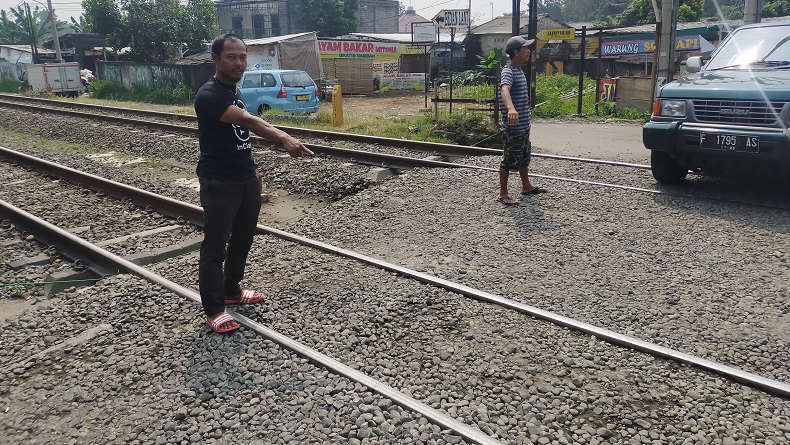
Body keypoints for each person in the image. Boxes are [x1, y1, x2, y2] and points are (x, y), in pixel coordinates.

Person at [195, 34, 313, 333]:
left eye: (242, 57)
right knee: (214, 247)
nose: (238, 62)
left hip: (245, 177)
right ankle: (214, 309)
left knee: (243, 239)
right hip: (219, 181)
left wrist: (253, 170)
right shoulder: (209, 95)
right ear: (215, 59)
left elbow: (241, 137)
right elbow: (249, 122)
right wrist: (285, 138)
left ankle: (232, 291)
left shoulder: (234, 91)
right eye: (231, 57)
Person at [498, 36, 547, 206]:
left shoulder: (519, 71)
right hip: (514, 127)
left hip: (524, 126)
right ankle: (503, 193)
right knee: (509, 159)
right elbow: (505, 90)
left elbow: (514, 92)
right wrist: (511, 108)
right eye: (525, 49)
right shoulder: (508, 71)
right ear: (516, 52)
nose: (529, 51)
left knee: (524, 157)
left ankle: (526, 186)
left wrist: (521, 99)